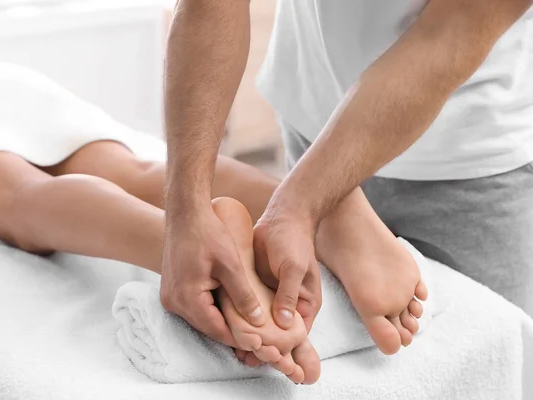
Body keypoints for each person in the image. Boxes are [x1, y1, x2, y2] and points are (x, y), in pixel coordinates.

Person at [0, 44, 428, 384]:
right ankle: (323, 208)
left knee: (19, 196)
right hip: (2, 83)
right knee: (136, 169)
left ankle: (178, 250)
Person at [161, 0, 533, 369]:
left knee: (487, 358)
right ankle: (338, 217)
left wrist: (298, 206)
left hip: (471, 163)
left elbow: (448, 37)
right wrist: (186, 210)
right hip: (314, 107)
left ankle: (334, 216)